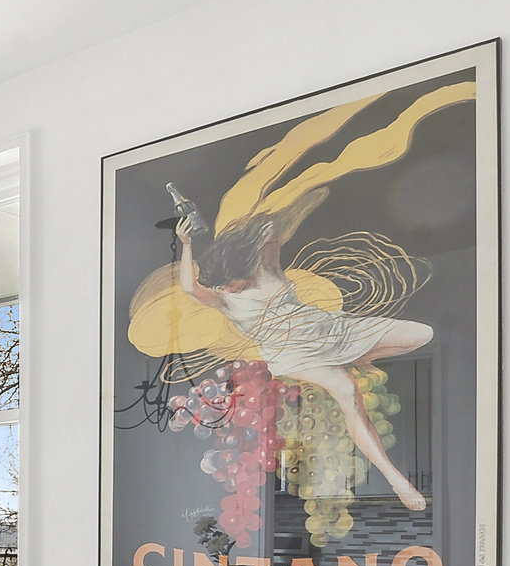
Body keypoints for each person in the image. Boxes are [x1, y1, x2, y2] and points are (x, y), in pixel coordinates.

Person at [177, 213, 432, 511]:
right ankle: (396, 480)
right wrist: (186, 243)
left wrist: (244, 241)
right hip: (293, 355)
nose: (225, 288)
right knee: (348, 391)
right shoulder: (224, 300)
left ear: (243, 267)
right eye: (221, 285)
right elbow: (189, 288)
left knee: (422, 334)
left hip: (328, 330)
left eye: (229, 282)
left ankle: (360, 356)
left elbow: (269, 226)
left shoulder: (268, 268)